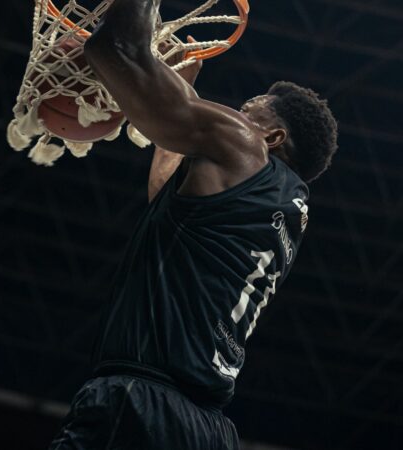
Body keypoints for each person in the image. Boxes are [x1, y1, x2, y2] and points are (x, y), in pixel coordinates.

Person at [49, 0, 338, 448]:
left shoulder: (244, 147)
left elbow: (114, 47)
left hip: (139, 402)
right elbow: (164, 197)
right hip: (207, 430)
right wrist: (182, 88)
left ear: (272, 137)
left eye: (247, 110)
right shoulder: (285, 207)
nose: (236, 118)